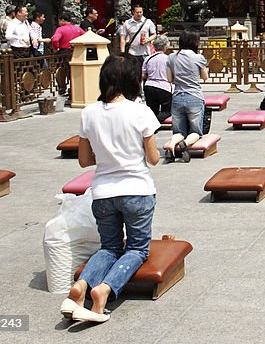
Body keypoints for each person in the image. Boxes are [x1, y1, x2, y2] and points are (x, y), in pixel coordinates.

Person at [59, 54, 161, 325]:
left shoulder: (89, 112)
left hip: (103, 191)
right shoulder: (140, 111)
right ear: (131, 80)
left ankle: (81, 287)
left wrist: (106, 156)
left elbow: (84, 160)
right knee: (137, 249)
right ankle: (103, 291)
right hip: (137, 189)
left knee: (110, 247)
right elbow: (152, 158)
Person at [163, 30, 209, 162]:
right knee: (195, 131)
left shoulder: (171, 57)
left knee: (179, 131)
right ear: (194, 42)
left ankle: (172, 145)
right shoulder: (198, 58)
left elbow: (170, 79)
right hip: (194, 96)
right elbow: (205, 77)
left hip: (177, 96)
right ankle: (186, 144)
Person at [50, 14, 85, 95]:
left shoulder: (60, 29)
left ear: (62, 20)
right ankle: (74, 89)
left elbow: (55, 40)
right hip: (76, 52)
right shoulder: (77, 28)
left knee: (62, 71)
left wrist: (56, 48)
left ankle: (62, 88)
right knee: (74, 71)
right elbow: (85, 36)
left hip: (64, 52)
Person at [141, 35, 173, 117]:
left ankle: (152, 125)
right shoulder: (168, 59)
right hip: (164, 86)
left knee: (152, 111)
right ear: (165, 46)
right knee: (166, 111)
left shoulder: (148, 58)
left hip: (149, 86)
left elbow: (143, 75)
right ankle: (155, 123)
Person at [118, 6, 155, 71]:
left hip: (145, 52)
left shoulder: (148, 22)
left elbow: (154, 34)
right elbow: (123, 38)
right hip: (132, 52)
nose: (139, 14)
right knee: (132, 72)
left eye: (141, 12)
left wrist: (148, 39)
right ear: (133, 12)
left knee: (145, 72)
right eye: (137, 12)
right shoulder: (127, 23)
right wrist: (123, 53)